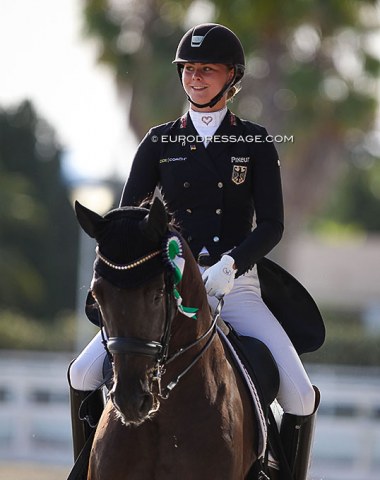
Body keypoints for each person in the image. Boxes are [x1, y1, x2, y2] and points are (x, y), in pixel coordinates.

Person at [68, 23, 320, 479]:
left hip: (235, 284)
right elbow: (129, 217)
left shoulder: (255, 141)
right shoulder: (159, 141)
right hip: (168, 283)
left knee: (300, 394)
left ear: (232, 77)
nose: (195, 77)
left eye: (207, 69)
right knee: (82, 374)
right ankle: (86, 465)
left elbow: (273, 225)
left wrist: (231, 265)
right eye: (188, 69)